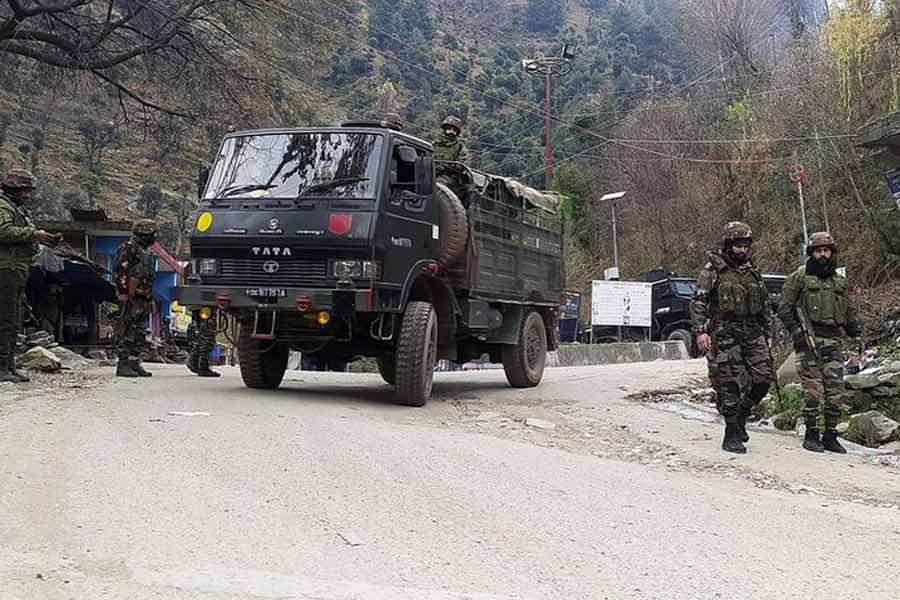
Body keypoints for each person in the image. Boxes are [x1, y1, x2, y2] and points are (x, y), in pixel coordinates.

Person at [690, 221, 775, 454]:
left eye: (745, 245)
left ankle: (742, 415)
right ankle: (731, 431)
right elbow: (699, 302)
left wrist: (770, 332)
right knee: (729, 384)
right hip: (724, 331)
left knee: (763, 378)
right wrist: (701, 331)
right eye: (737, 246)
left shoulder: (752, 270)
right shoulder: (712, 270)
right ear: (728, 245)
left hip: (752, 331)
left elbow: (765, 304)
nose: (742, 250)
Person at [778, 232, 860, 454]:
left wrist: (853, 327)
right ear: (811, 253)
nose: (823, 255)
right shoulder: (800, 277)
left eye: (826, 250)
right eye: (818, 251)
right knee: (812, 391)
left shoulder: (839, 280)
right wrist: (796, 330)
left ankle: (831, 434)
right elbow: (784, 308)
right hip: (808, 338)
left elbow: (848, 309)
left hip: (833, 340)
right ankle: (811, 433)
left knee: (835, 391)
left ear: (832, 252)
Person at [0, 169, 60, 383]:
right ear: (14, 189)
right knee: (5, 320)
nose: (28, 195)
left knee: (12, 319)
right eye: (25, 191)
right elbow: (3, 231)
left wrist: (41, 239)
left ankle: (8, 366)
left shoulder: (14, 209)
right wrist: (34, 234)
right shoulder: (3, 206)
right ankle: (2, 368)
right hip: (5, 269)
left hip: (15, 268)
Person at [112, 219, 158, 378]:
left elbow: (149, 278)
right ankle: (123, 364)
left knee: (140, 332)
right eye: (151, 234)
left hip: (144, 298)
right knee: (127, 330)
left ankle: (134, 362)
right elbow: (119, 271)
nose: (153, 237)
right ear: (142, 234)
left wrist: (151, 299)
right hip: (131, 297)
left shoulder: (148, 253)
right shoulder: (128, 248)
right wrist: (123, 292)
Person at [186, 311, 220, 377]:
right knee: (207, 336)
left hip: (197, 306)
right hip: (208, 305)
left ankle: (194, 361)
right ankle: (203, 366)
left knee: (200, 334)